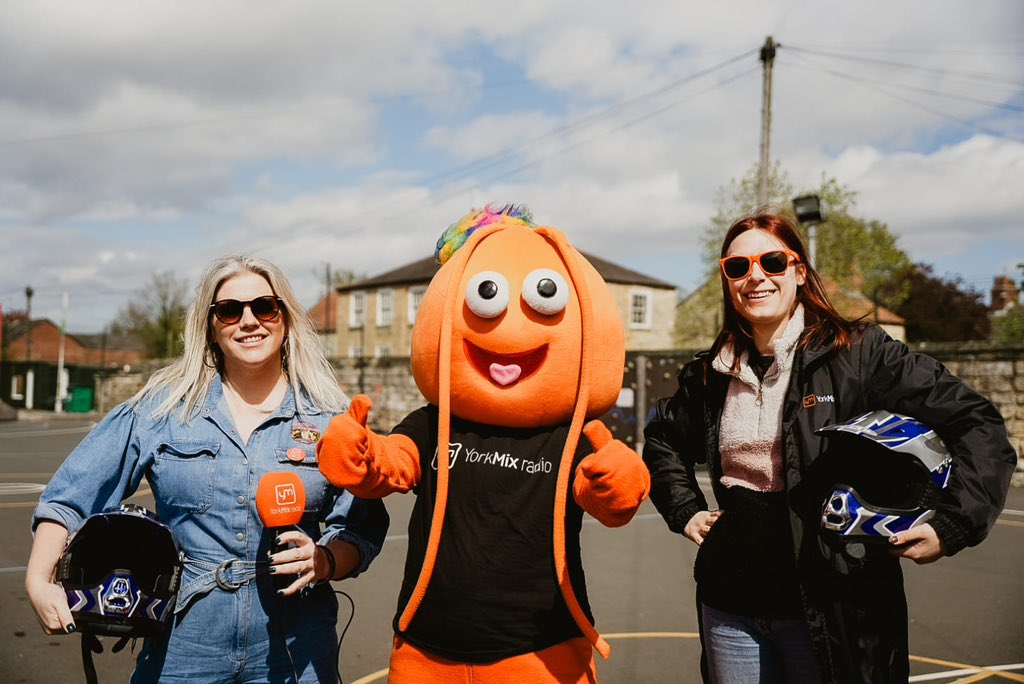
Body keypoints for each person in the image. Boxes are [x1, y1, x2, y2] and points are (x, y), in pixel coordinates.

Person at [642, 213, 1017, 683]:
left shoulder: (860, 354)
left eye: (772, 261)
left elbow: (976, 422)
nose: (755, 276)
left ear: (799, 271)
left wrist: (956, 523)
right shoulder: (709, 373)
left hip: (834, 605)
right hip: (730, 606)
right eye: (737, 267)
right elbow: (663, 439)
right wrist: (686, 510)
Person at [317, 206, 650, 683]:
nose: (511, 329)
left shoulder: (570, 437)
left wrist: (618, 481)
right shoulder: (434, 424)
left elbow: (608, 502)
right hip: (426, 650)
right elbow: (391, 465)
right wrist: (361, 454)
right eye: (487, 298)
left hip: (541, 652)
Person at [26, 255, 389, 683]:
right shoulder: (162, 408)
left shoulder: (331, 419)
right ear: (212, 327)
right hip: (185, 642)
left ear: (286, 319)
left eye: (264, 306)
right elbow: (71, 495)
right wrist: (37, 581)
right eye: (230, 310)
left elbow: (361, 527)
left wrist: (325, 561)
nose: (249, 320)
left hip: (298, 644)